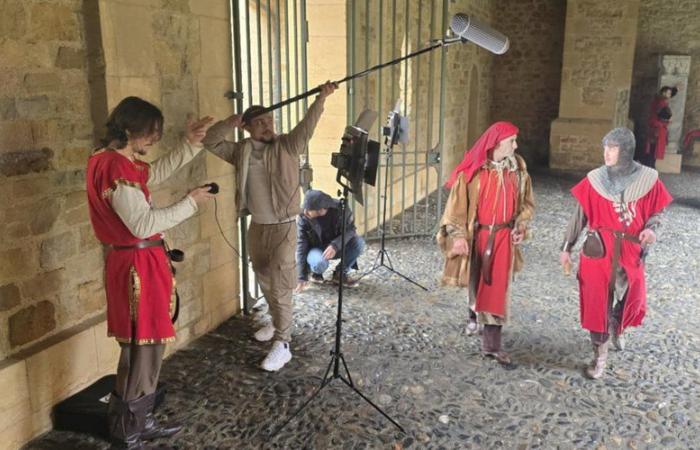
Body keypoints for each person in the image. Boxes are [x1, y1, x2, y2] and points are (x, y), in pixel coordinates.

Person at [86, 96, 215, 449]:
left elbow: (154, 172)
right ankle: (129, 432)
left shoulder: (114, 161)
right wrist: (190, 202)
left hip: (135, 263)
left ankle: (136, 422)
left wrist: (190, 144)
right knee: (143, 348)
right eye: (149, 134)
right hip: (135, 267)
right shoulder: (113, 165)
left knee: (144, 347)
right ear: (130, 128)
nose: (152, 141)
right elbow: (142, 223)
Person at [202, 82, 337, 372]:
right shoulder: (242, 150)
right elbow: (210, 141)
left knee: (280, 284)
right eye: (260, 122)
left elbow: (307, 126)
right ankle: (276, 323)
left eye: (269, 120)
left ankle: (283, 342)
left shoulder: (287, 145)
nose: (267, 126)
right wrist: (229, 122)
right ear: (247, 128)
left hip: (285, 227)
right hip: (258, 226)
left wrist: (320, 98)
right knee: (262, 275)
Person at [560, 127, 672, 379]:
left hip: (631, 250)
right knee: (596, 302)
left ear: (626, 151)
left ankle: (617, 325)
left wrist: (652, 230)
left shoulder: (648, 179)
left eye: (612, 148)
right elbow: (579, 217)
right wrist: (566, 247)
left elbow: (656, 212)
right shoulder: (595, 180)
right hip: (597, 250)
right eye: (605, 147)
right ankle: (599, 356)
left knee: (633, 296)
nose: (606, 153)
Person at [437, 121, 535, 368]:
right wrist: (458, 236)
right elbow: (456, 208)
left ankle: (491, 345)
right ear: (496, 143)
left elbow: (526, 204)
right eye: (511, 141)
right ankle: (473, 313)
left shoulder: (518, 169)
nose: (516, 145)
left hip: (503, 237)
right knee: (475, 281)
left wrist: (520, 226)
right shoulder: (474, 172)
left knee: (495, 289)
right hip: (477, 235)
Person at [295, 189, 365, 292]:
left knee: (359, 243)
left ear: (322, 209)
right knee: (319, 264)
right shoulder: (304, 217)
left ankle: (340, 274)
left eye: (309, 209)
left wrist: (335, 245)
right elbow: (301, 245)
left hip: (337, 247)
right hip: (317, 249)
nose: (305, 211)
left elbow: (351, 230)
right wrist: (301, 276)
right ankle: (316, 273)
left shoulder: (341, 209)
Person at [640, 86, 677, 168]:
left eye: (669, 93)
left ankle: (650, 167)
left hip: (658, 128)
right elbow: (654, 117)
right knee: (652, 150)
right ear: (663, 92)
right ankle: (650, 168)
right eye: (667, 92)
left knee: (652, 151)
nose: (668, 95)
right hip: (657, 129)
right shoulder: (660, 103)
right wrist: (665, 122)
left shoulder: (660, 102)